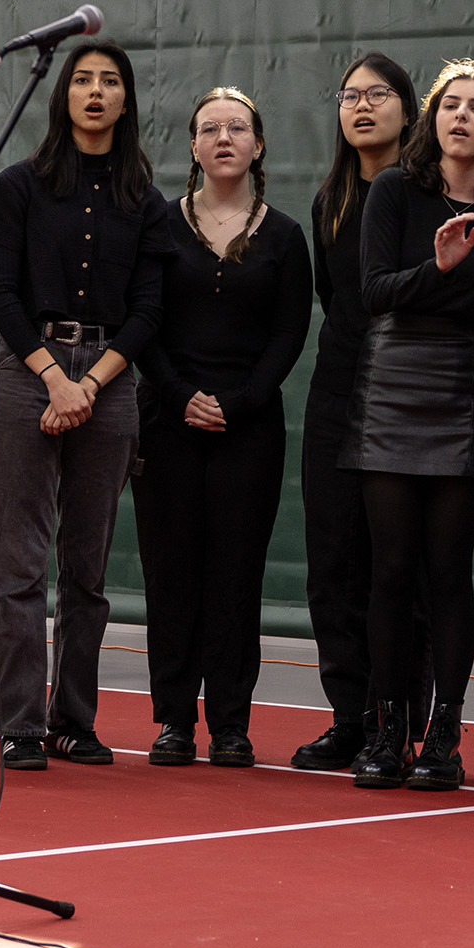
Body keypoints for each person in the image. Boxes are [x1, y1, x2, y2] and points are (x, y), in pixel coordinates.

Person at [0, 39, 177, 770]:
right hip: (25, 369)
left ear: (126, 100)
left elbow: (149, 309)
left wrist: (90, 383)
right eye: (83, 79)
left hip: (112, 376)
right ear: (62, 93)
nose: (96, 91)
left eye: (111, 81)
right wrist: (52, 377)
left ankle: (75, 719)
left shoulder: (145, 201)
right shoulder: (18, 186)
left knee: (86, 568)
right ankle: (22, 724)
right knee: (22, 564)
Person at [346, 59, 474, 791]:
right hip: (391, 380)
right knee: (390, 569)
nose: (461, 116)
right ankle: (389, 730)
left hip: (465, 384)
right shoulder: (395, 189)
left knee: (448, 571)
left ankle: (444, 736)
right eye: (449, 104)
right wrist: (441, 268)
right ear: (432, 119)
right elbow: (375, 292)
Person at [134, 88, 311, 768]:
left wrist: (236, 402)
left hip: (249, 426)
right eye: (211, 128)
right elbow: (145, 320)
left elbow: (290, 334)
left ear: (258, 145)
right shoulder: (160, 227)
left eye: (238, 127)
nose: (225, 137)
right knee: (170, 572)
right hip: (168, 420)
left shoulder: (286, 237)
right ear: (193, 145)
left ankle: (231, 723)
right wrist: (180, 395)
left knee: (236, 574)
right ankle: (175, 719)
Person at [294, 53, 419, 770]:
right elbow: (333, 296)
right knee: (333, 559)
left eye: (378, 94)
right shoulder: (329, 200)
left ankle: (397, 718)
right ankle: (348, 715)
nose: (361, 106)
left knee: (397, 565)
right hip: (340, 390)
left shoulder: (428, 194)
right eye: (349, 95)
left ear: (408, 107)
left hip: (414, 392)